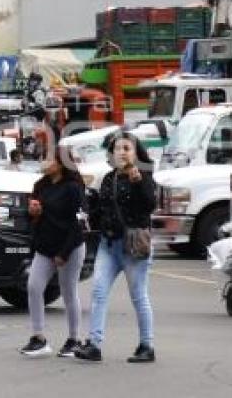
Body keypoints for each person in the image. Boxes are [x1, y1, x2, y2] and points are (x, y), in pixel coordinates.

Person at [75, 132, 157, 364]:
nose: (122, 152)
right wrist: (87, 217)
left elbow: (150, 205)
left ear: (135, 153)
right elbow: (102, 209)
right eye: (117, 148)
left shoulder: (144, 175)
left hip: (133, 246)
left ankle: (146, 345)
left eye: (127, 148)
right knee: (98, 292)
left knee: (138, 296)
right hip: (108, 245)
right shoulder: (109, 178)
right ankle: (94, 344)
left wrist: (139, 181)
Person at [19, 149, 87, 358]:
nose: (43, 161)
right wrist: (32, 212)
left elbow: (79, 224)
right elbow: (32, 217)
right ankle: (38, 337)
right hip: (45, 247)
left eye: (48, 158)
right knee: (33, 286)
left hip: (70, 247)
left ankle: (74, 340)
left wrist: (64, 253)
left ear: (60, 163)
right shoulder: (41, 186)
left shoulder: (74, 188)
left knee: (68, 291)